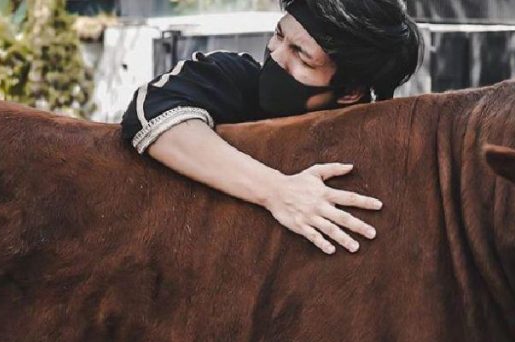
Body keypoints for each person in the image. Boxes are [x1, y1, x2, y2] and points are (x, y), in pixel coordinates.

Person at [121, 0, 422, 255]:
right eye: (279, 36)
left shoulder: (375, 142)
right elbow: (149, 114)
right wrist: (278, 190)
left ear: (349, 92)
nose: (276, 55)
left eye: (300, 55)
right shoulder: (231, 78)